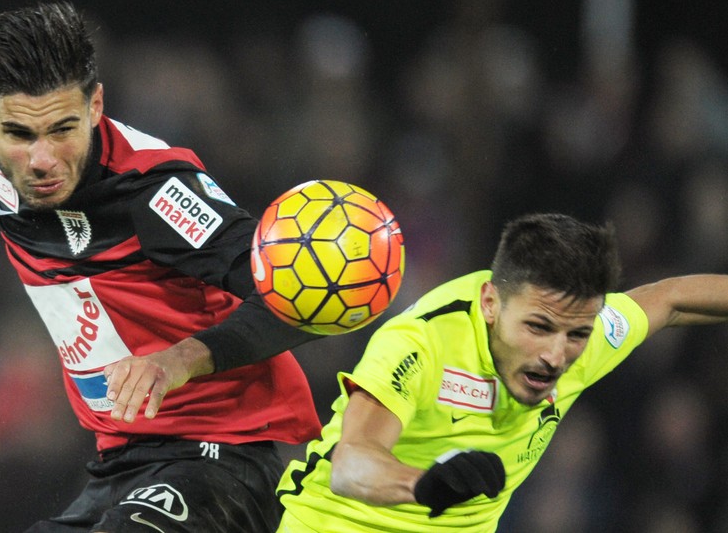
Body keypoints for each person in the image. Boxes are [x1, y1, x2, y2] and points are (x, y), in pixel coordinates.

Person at [0, 2, 324, 532]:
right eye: (20, 134)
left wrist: (182, 359)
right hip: (121, 463)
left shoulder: (154, 191)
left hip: (224, 456)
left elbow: (298, 298)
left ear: (95, 105)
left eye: (63, 129)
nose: (41, 160)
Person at [276, 212, 728, 532]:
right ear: (490, 303)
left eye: (576, 334)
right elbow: (350, 464)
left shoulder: (587, 336)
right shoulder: (421, 342)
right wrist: (425, 484)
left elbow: (671, 299)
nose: (555, 355)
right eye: (538, 327)